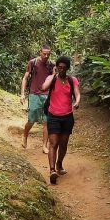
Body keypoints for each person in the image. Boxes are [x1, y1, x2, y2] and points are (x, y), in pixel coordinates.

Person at [40, 55, 81, 184]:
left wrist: (77, 101)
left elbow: (77, 93)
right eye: (59, 67)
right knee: (54, 143)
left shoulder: (72, 80)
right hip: (53, 116)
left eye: (64, 67)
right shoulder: (51, 79)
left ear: (67, 68)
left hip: (67, 117)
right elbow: (44, 88)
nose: (61, 69)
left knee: (63, 144)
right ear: (56, 67)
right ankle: (52, 170)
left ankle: (59, 164)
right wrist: (53, 75)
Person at [19, 45, 54, 152]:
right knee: (31, 119)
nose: (46, 56)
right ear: (40, 52)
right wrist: (22, 94)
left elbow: (54, 79)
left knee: (46, 121)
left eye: (48, 54)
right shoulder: (32, 63)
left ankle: (44, 146)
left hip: (47, 95)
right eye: (44, 53)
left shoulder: (51, 65)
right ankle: (25, 136)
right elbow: (25, 78)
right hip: (34, 94)